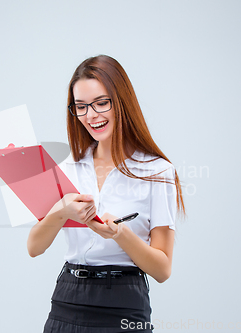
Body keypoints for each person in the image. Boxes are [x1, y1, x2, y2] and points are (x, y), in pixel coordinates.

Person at [27, 55, 185, 333]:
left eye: (101, 103)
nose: (91, 115)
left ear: (122, 102)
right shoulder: (68, 167)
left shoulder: (158, 171)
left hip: (123, 303)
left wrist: (121, 235)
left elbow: (162, 270)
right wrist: (61, 210)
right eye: (81, 107)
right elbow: (34, 248)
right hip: (67, 298)